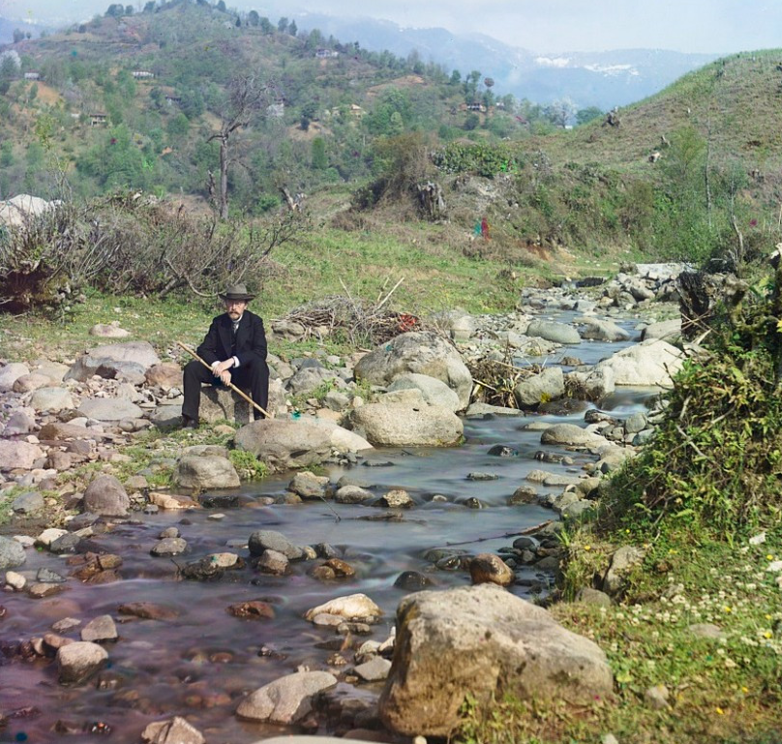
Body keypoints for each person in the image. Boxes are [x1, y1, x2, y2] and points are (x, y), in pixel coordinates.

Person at [181, 283, 269, 428]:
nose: (233, 307)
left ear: (245, 305)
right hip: (220, 374)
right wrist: (218, 366)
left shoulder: (255, 322)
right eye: (230, 302)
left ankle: (259, 418)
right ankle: (190, 419)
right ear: (226, 303)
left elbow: (260, 352)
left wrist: (232, 362)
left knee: (260, 366)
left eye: (238, 303)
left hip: (244, 374)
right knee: (192, 368)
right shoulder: (218, 322)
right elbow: (203, 349)